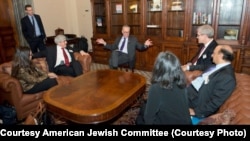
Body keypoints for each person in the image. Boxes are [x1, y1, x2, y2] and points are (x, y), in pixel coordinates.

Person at [136, 51, 191, 125]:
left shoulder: (156, 88)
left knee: (140, 117)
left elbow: (148, 117)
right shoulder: (181, 83)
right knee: (144, 107)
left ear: (158, 68)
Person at [188, 45, 236, 124]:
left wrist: (195, 111)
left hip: (194, 101)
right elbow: (203, 67)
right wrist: (188, 67)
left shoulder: (227, 77)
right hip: (189, 92)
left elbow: (216, 101)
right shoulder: (215, 66)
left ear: (220, 55)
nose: (211, 55)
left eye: (214, 53)